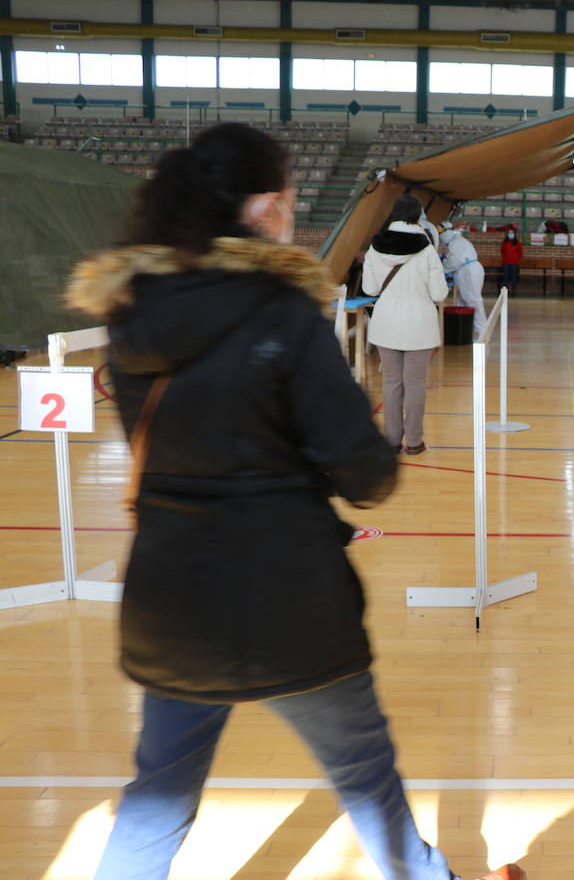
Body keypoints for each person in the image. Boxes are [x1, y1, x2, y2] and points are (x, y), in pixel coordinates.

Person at [63, 122, 521, 880]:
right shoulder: (280, 313)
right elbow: (366, 476)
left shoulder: (132, 316)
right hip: (290, 602)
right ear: (265, 208)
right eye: (289, 198)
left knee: (156, 800)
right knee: (368, 782)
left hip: (170, 596)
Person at [363, 194, 450, 454]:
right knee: (415, 384)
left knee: (391, 383)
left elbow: (369, 288)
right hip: (419, 325)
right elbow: (439, 294)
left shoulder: (375, 247)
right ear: (417, 216)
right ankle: (414, 442)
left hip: (386, 323)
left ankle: (391, 440)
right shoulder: (426, 248)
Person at [441, 221, 487, 339]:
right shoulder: (456, 241)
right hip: (467, 270)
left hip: (469, 271)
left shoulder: (456, 243)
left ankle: (482, 331)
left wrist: (442, 268)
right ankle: (464, 331)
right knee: (462, 302)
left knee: (472, 301)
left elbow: (453, 262)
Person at [500, 227, 524, 294]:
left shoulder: (518, 243)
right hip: (505, 262)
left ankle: (513, 291)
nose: (511, 234)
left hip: (514, 263)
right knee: (505, 277)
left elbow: (520, 253)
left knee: (514, 277)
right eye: (509, 233)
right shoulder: (504, 243)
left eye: (512, 233)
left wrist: (516, 259)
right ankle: (505, 292)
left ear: (514, 234)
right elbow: (502, 251)